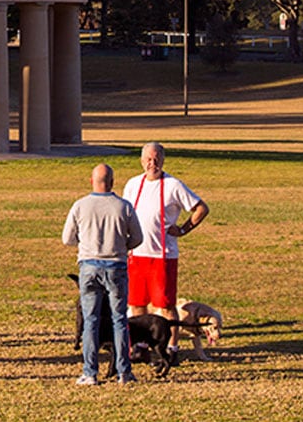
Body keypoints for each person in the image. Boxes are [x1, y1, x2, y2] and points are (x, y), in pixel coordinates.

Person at [122, 142, 209, 355]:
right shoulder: (133, 184)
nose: (153, 164)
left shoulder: (173, 185)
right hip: (136, 255)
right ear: (142, 161)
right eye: (149, 160)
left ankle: (172, 348)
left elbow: (201, 208)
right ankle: (140, 346)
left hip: (163, 256)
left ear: (163, 160)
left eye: (157, 159)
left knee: (166, 306)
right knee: (136, 304)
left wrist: (183, 229)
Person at [63, 163, 144, 386]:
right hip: (116, 266)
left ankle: (90, 372)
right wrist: (122, 244)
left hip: (89, 266)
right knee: (119, 319)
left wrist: (86, 243)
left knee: (91, 320)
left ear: (91, 181)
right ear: (112, 182)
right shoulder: (123, 206)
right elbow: (138, 238)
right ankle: (123, 372)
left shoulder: (80, 206)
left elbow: (67, 238)